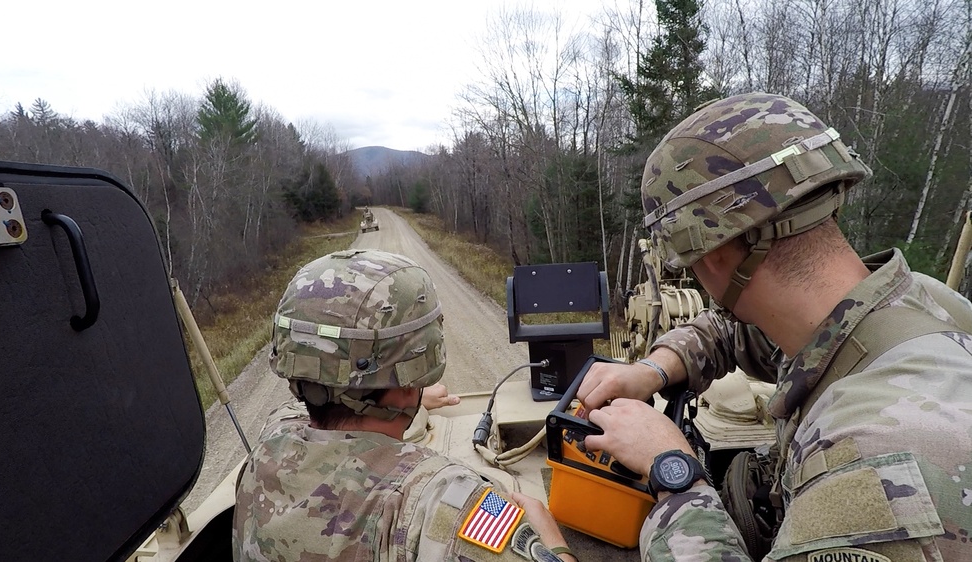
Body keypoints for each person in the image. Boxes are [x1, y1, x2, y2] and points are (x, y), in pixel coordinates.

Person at [578, 92, 972, 561]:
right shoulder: (916, 304)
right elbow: (736, 331)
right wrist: (655, 369)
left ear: (714, 254)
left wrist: (673, 472)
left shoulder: (874, 464)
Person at [232, 249, 574, 561]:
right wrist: (554, 545)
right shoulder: (447, 503)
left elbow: (315, 415)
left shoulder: (268, 443)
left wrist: (414, 399)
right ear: (417, 373)